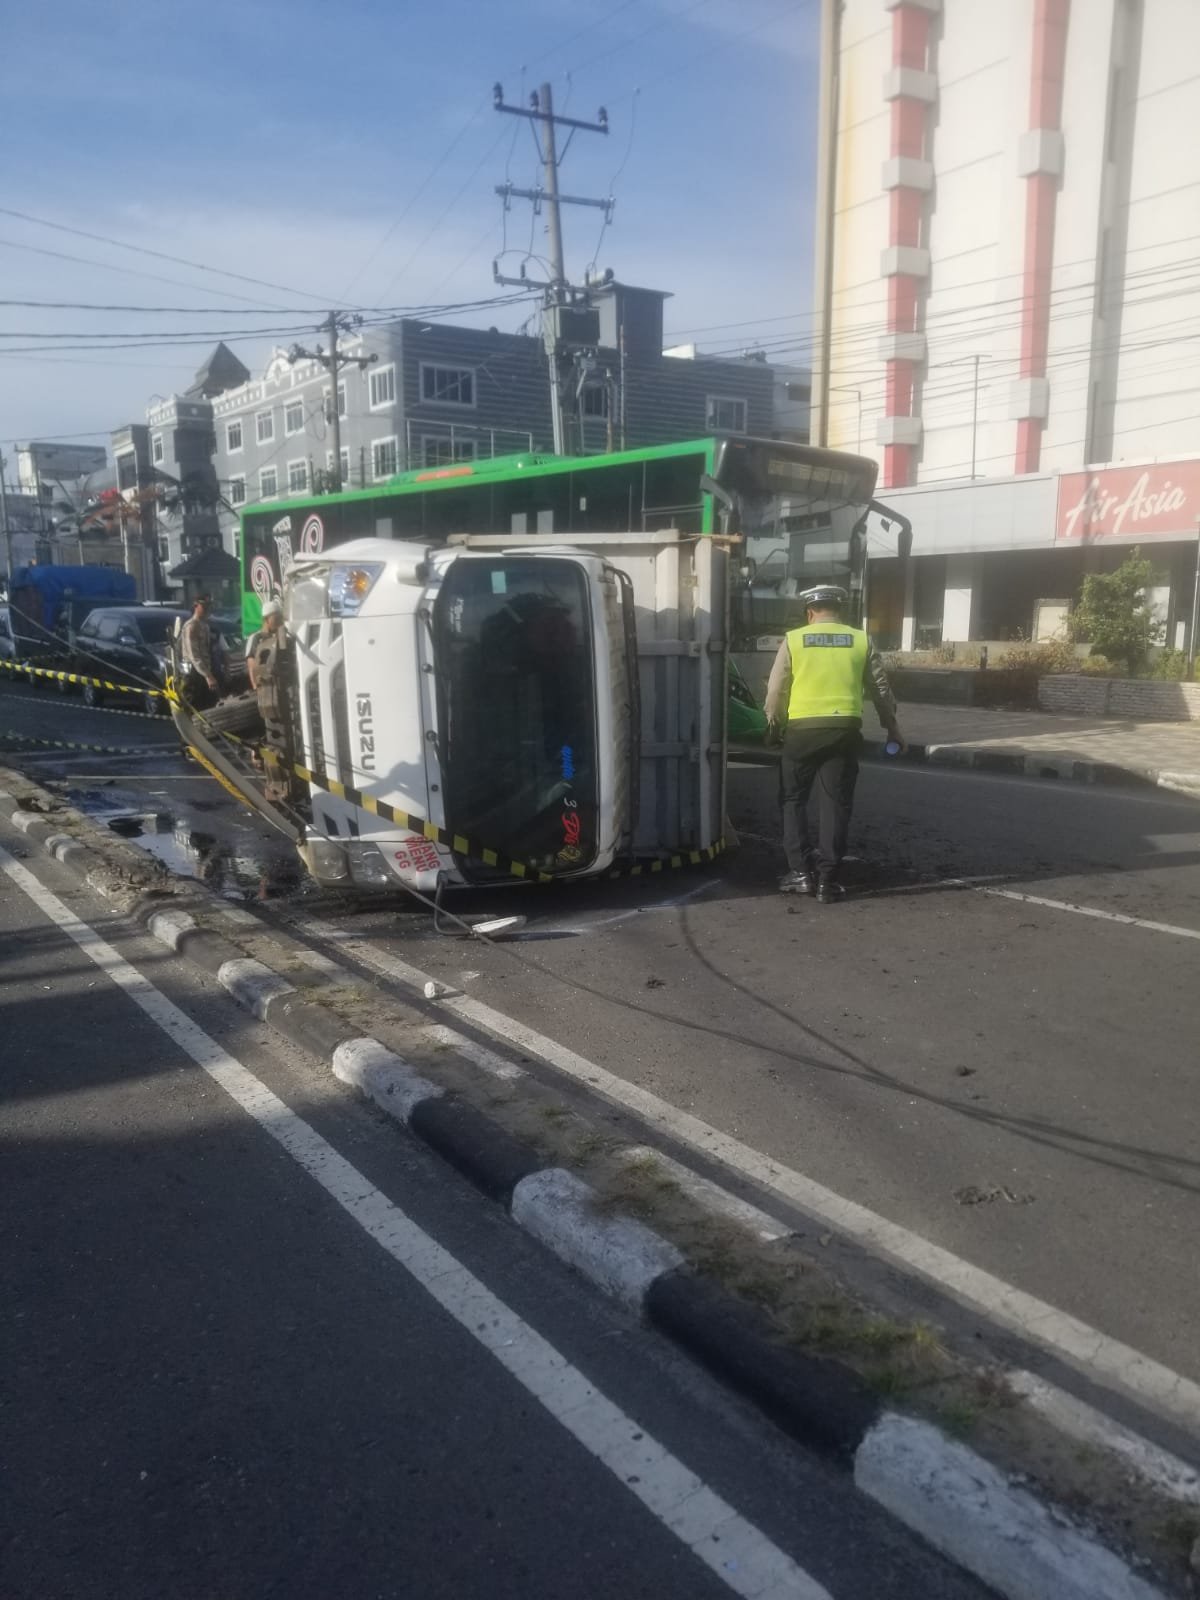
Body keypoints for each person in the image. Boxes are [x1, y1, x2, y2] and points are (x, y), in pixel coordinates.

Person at [763, 584, 904, 904]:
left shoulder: (795, 639)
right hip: (844, 730)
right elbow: (881, 691)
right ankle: (828, 880)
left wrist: (773, 724)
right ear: (839, 611)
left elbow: (775, 690)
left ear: (810, 612)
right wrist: (893, 729)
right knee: (836, 804)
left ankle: (800, 874)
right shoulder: (859, 640)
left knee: (793, 800)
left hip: (801, 732)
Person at [244, 598, 292, 799]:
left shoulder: (282, 636)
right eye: (277, 617)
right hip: (266, 693)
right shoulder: (256, 638)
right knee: (269, 736)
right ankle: (265, 769)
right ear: (267, 618)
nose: (280, 621)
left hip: (281, 693)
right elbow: (252, 666)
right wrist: (258, 689)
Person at [180, 594, 221, 708]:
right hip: (194, 674)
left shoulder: (205, 626)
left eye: (209, 606)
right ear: (196, 606)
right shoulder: (191, 626)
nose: (207, 610)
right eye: (204, 607)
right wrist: (208, 676)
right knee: (195, 706)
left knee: (210, 705)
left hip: (205, 672)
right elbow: (194, 656)